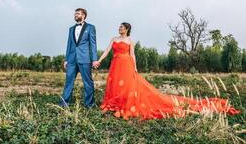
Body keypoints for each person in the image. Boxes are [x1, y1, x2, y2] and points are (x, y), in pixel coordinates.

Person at [96, 22, 240, 120]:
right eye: (119, 27)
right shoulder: (114, 39)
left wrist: (135, 67)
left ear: (126, 29)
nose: (119, 28)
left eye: (121, 27)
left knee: (128, 85)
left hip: (127, 64)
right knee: (115, 84)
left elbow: (132, 55)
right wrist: (99, 60)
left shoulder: (130, 41)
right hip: (116, 64)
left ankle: (125, 104)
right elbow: (107, 50)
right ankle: (114, 103)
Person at [59, 8, 99, 108]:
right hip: (72, 59)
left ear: (83, 15)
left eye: (77, 14)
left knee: (88, 82)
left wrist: (94, 59)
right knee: (68, 81)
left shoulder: (90, 27)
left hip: (85, 58)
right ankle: (64, 103)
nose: (75, 15)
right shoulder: (71, 29)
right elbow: (69, 44)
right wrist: (66, 59)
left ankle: (89, 104)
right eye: (75, 14)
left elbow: (93, 44)